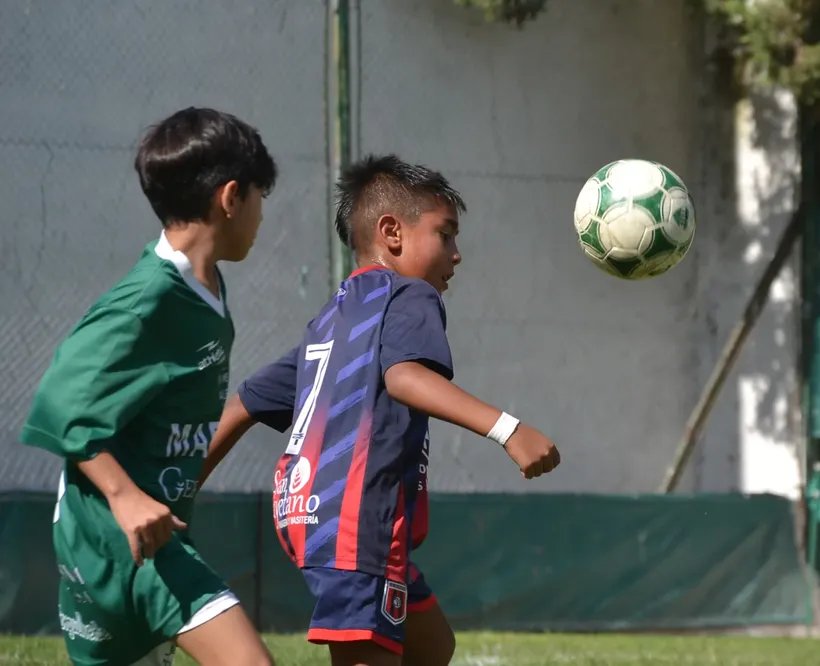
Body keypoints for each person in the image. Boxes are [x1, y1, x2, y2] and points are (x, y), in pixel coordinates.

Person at [199, 154, 561, 666]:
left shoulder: (332, 319)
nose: (456, 254)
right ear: (392, 233)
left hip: (307, 510)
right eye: (445, 235)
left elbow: (243, 405)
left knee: (431, 645)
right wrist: (508, 429)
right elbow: (405, 377)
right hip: (358, 521)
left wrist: (175, 495)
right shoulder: (411, 295)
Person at [20, 107, 278, 666]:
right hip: (114, 540)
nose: (263, 214)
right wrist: (125, 495)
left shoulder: (205, 288)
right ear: (231, 197)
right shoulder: (147, 299)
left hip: (144, 540)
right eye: (261, 196)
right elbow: (61, 398)